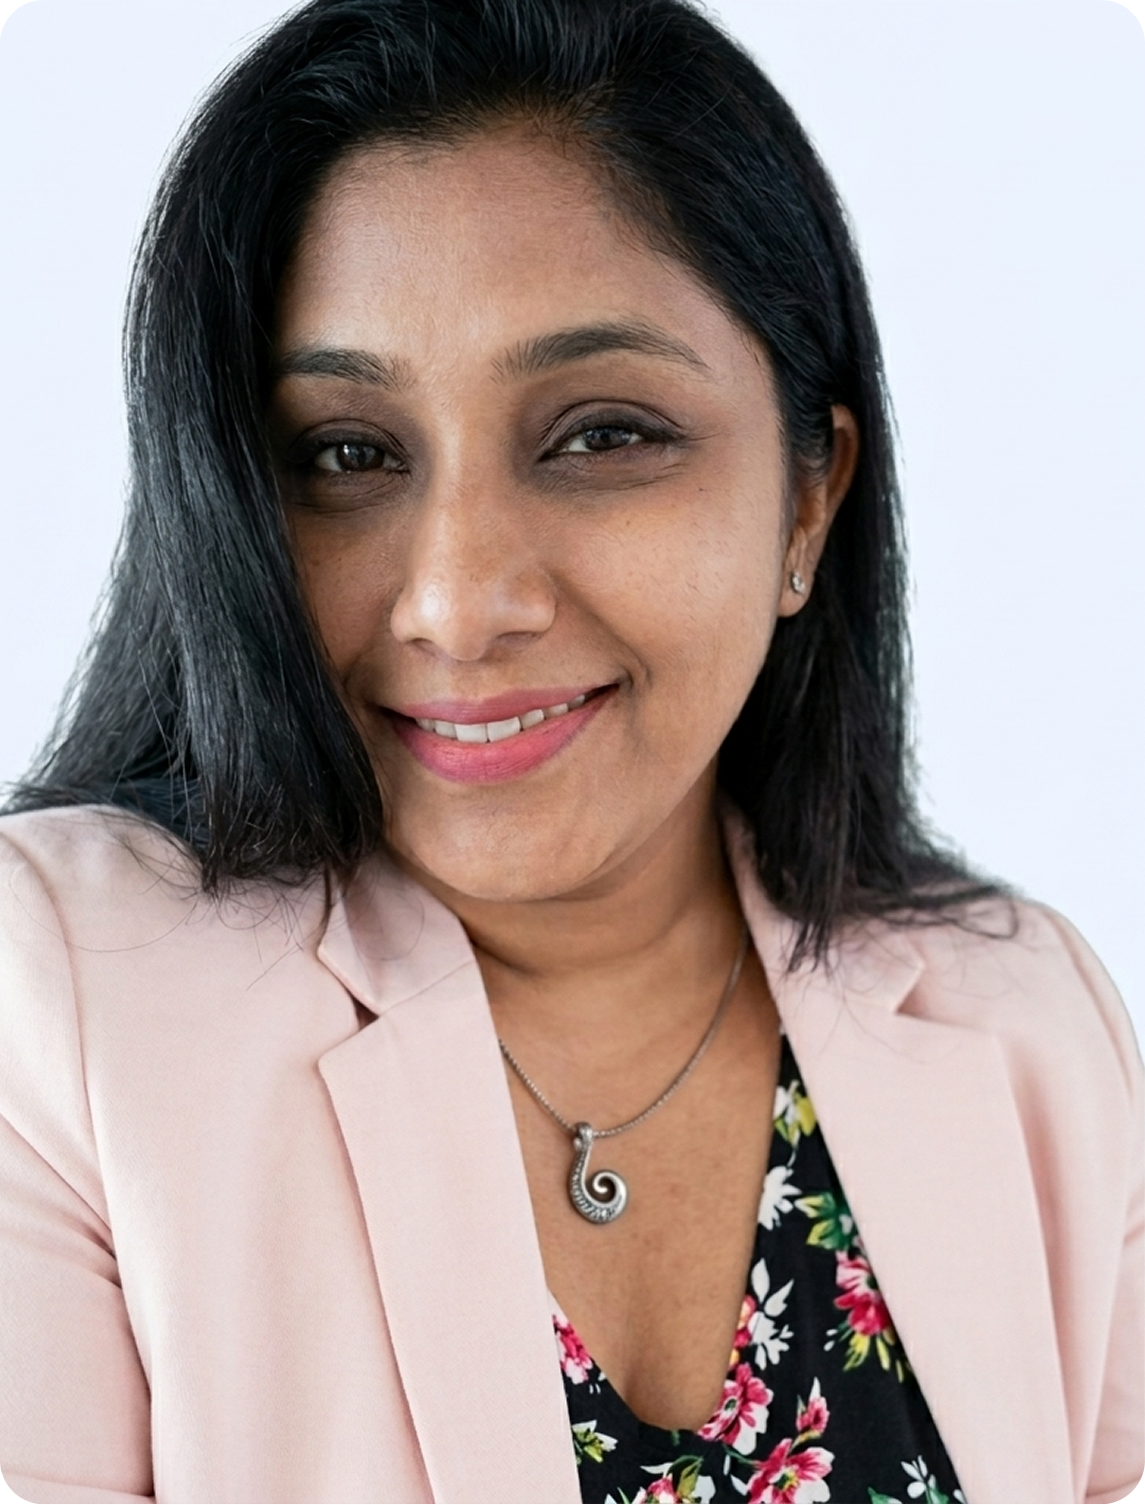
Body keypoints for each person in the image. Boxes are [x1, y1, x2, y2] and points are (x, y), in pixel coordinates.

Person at [0, 1, 1141, 1501]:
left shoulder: (1034, 1023)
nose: (459, 603)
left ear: (809, 501)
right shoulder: (52, 1003)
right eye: (346, 454)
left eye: (602, 435)